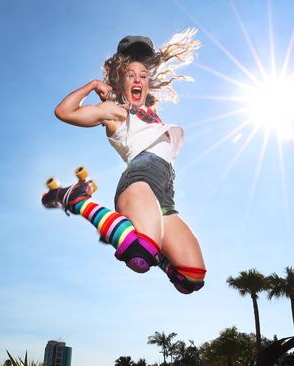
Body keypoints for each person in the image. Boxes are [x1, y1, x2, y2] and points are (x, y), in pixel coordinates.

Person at [42, 29, 206, 294]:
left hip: (165, 191)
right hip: (141, 178)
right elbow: (64, 112)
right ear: (120, 79)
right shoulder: (115, 110)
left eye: (143, 75)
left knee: (190, 278)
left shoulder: (150, 112)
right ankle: (77, 199)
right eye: (130, 75)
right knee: (139, 254)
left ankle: (143, 244)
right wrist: (94, 85)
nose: (137, 80)